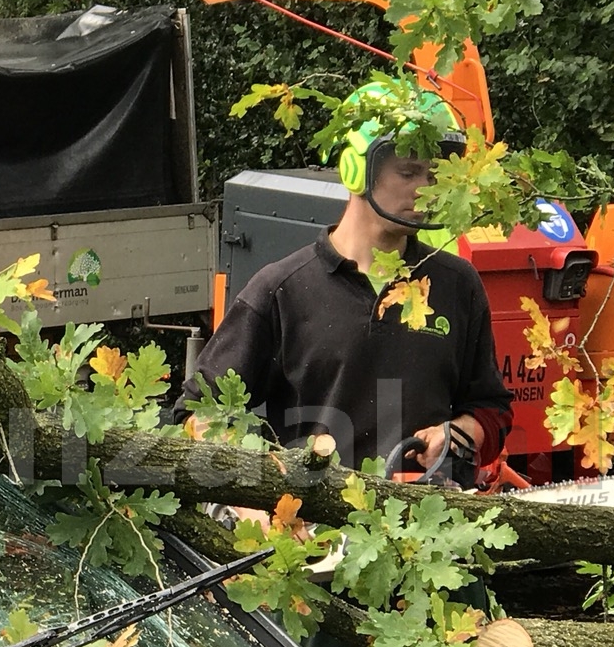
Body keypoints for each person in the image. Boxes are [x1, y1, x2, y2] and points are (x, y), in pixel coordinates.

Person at [183, 81, 512, 482]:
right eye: (408, 172)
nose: (425, 189)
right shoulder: (282, 290)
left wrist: (460, 434)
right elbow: (199, 414)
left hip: (430, 530)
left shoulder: (457, 285)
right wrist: (258, 505)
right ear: (357, 170)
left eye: (434, 174)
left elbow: (492, 409)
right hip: (316, 532)